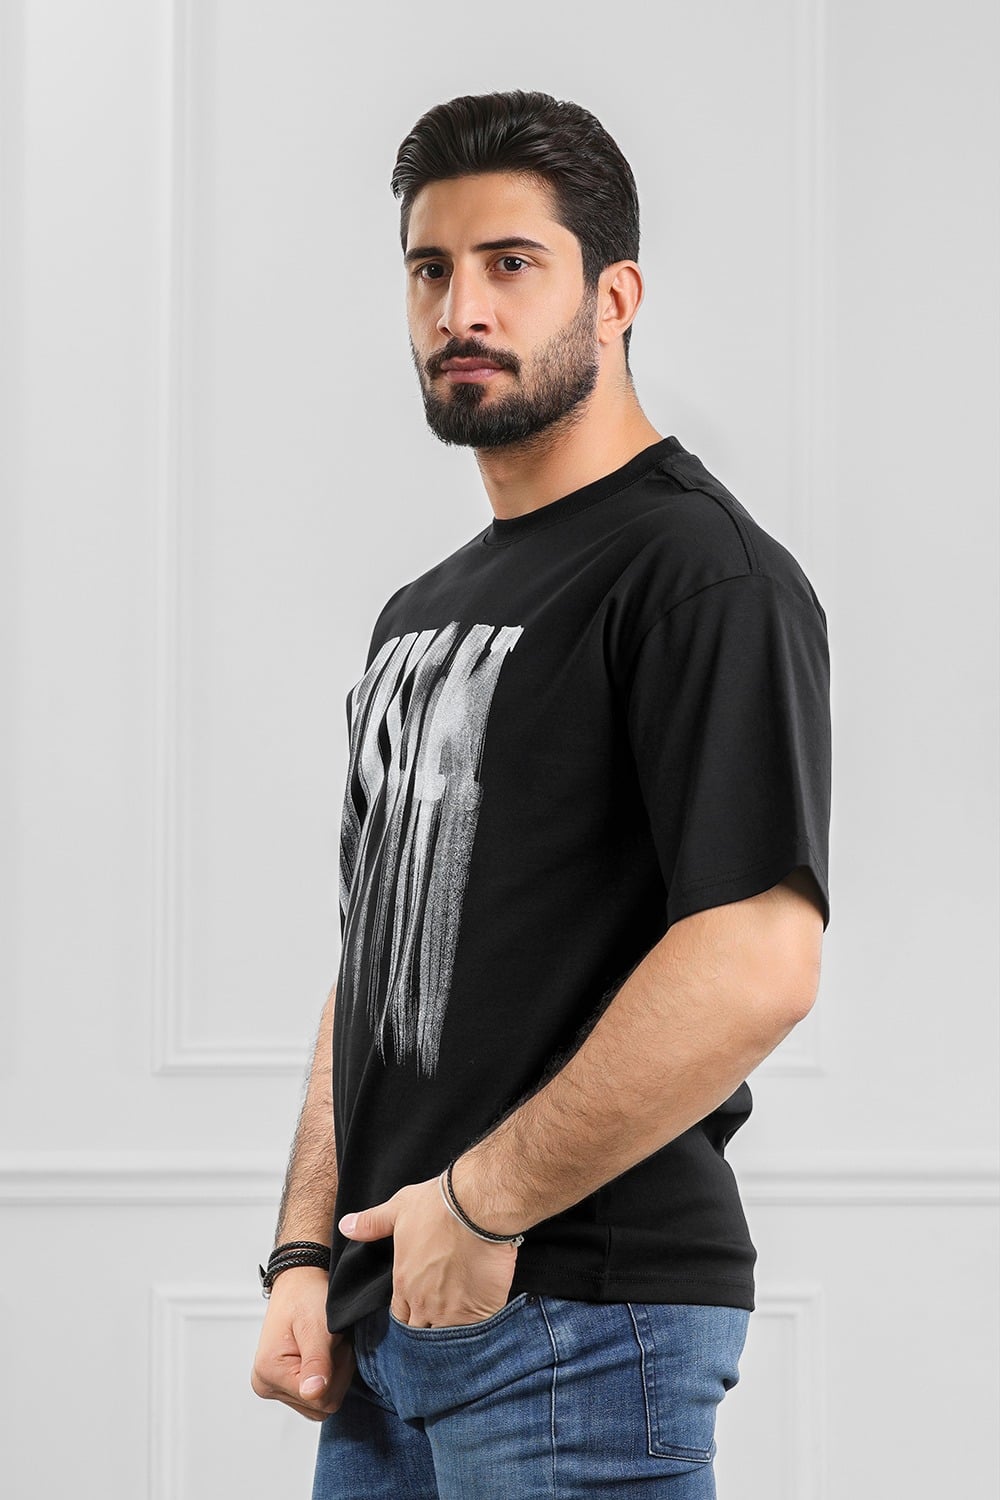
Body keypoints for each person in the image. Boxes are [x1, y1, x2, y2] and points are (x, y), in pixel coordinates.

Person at [251, 89, 832, 1499]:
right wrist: (305, 1252)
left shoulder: (698, 574)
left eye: (512, 263)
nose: (463, 308)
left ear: (614, 297)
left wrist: (482, 1204)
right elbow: (376, 956)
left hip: (574, 1317)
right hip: (391, 1317)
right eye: (430, 268)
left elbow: (759, 956)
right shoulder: (419, 612)